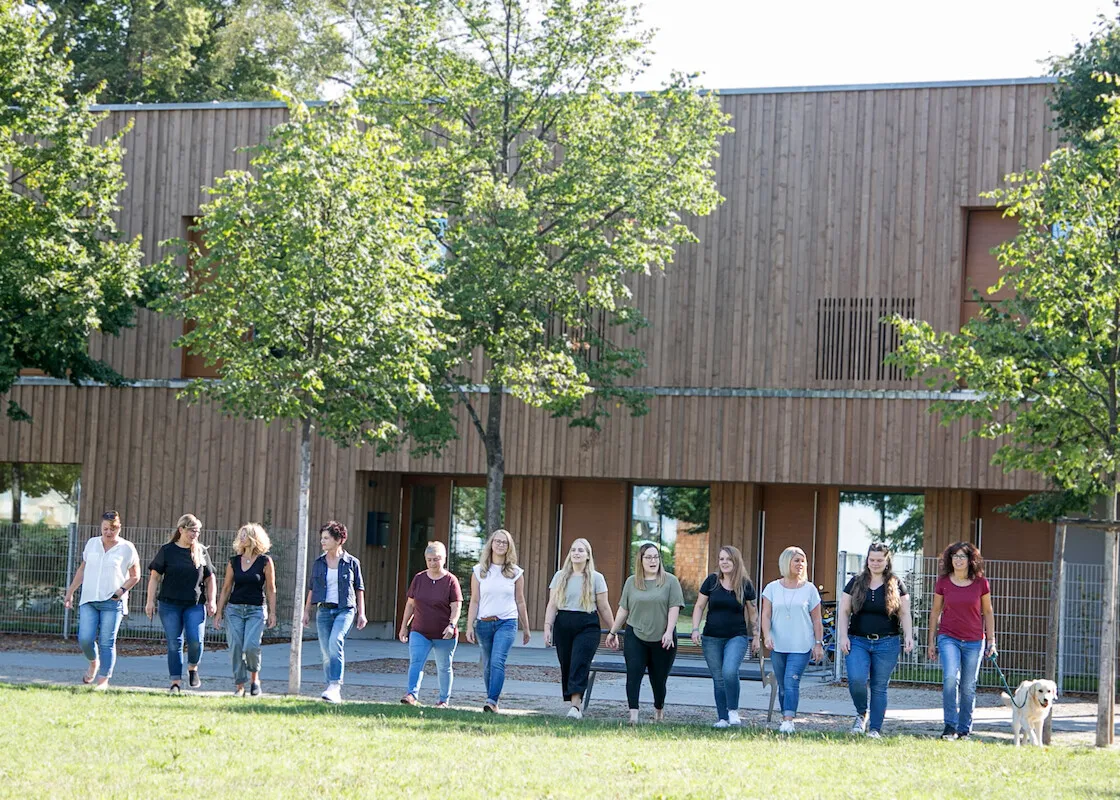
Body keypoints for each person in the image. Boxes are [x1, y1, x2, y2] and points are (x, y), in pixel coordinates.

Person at [837, 542, 915, 739]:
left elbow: (905, 613)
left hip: (887, 642)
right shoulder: (856, 582)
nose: (875, 563)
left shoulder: (896, 583)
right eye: (872, 559)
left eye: (879, 560)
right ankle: (861, 714)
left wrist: (908, 635)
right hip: (858, 640)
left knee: (879, 686)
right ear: (867, 560)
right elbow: (844, 611)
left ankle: (875, 729)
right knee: (857, 680)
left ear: (887, 561)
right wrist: (843, 636)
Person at [606, 542, 685, 724]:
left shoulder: (670, 581)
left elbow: (674, 607)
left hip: (663, 638)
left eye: (656, 557)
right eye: (648, 557)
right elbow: (623, 609)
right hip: (635, 635)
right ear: (640, 560)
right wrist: (613, 631)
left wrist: (669, 632)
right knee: (633, 674)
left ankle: (658, 711)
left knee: (659, 680)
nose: (653, 561)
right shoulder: (632, 582)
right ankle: (633, 716)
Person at [63, 511, 140, 690]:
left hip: (112, 602)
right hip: (89, 599)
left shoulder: (127, 548)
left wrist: (121, 590)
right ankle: (93, 662)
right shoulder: (92, 543)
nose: (108, 532)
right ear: (101, 527)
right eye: (105, 528)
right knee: (85, 639)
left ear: (119, 528)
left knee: (107, 642)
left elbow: (135, 576)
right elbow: (83, 570)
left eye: (113, 529)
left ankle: (103, 680)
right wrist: (70, 591)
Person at [927, 541, 996, 740]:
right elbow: (935, 612)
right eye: (955, 556)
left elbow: (988, 612)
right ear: (950, 559)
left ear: (970, 560)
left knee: (968, 686)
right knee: (950, 678)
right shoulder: (943, 582)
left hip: (974, 640)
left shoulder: (981, 583)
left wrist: (991, 640)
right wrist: (931, 641)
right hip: (949, 637)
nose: (958, 560)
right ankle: (950, 726)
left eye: (962, 556)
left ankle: (964, 728)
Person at [544, 538, 615, 720]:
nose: (576, 553)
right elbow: (552, 604)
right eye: (573, 550)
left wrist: (613, 630)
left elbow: (604, 606)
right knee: (567, 664)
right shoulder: (560, 576)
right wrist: (547, 627)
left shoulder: (596, 578)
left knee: (579, 662)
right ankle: (573, 701)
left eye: (581, 550)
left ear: (588, 556)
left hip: (587, 624)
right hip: (563, 623)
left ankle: (575, 707)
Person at [145, 514, 216, 693]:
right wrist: (149, 601)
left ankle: (193, 667)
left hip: (195, 604)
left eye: (197, 531)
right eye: (191, 530)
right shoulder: (167, 550)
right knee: (174, 643)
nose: (194, 534)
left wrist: (212, 600)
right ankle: (175, 682)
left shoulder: (201, 551)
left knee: (195, 640)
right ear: (181, 530)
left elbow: (210, 578)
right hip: (170, 604)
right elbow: (154, 577)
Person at [690, 545, 759, 728]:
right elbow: (699, 606)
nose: (724, 562)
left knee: (729, 671)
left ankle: (733, 711)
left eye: (728, 559)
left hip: (736, 636)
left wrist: (756, 636)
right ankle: (722, 718)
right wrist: (695, 629)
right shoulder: (711, 581)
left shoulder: (745, 584)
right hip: (711, 638)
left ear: (736, 561)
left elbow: (753, 612)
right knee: (718, 678)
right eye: (721, 559)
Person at [465, 529, 531, 713]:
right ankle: (491, 701)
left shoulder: (516, 572)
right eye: (497, 541)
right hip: (484, 624)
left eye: (504, 542)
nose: (501, 545)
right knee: (487, 664)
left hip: (507, 623)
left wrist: (526, 628)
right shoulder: (479, 571)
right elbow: (475, 600)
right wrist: (469, 626)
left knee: (497, 661)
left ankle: (492, 701)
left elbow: (520, 601)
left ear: (509, 547)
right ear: (491, 544)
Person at [760, 546, 824, 733]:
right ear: (786, 562)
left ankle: (789, 720)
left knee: (791, 681)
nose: (800, 564)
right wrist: (767, 635)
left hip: (801, 645)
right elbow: (766, 615)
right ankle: (785, 716)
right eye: (796, 560)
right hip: (778, 644)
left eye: (803, 561)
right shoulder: (772, 588)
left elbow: (817, 619)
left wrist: (818, 644)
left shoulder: (810, 589)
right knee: (782, 684)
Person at [302, 520, 367, 704]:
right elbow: (312, 588)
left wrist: (361, 613)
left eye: (326, 538)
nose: (322, 541)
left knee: (335, 641)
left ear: (339, 540)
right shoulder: (319, 563)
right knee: (325, 651)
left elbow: (359, 588)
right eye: (322, 538)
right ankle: (330, 688)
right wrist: (306, 611)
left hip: (345, 610)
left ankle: (335, 686)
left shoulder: (352, 562)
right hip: (323, 610)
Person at [214, 523, 277, 697]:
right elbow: (226, 588)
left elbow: (271, 588)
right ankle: (239, 686)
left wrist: (272, 612)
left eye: (245, 535)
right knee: (235, 646)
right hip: (234, 610)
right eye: (240, 535)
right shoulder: (233, 561)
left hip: (256, 610)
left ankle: (255, 679)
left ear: (254, 538)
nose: (241, 538)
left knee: (251, 646)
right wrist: (219, 612)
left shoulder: (265, 561)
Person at [398, 541, 463, 708]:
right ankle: (411, 695)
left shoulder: (451, 581)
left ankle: (443, 700)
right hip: (420, 631)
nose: (433, 563)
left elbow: (456, 606)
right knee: (416, 662)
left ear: (444, 559)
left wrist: (452, 625)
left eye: (436, 559)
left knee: (444, 667)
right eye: (429, 560)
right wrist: (404, 626)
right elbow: (410, 604)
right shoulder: (419, 579)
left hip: (444, 634)